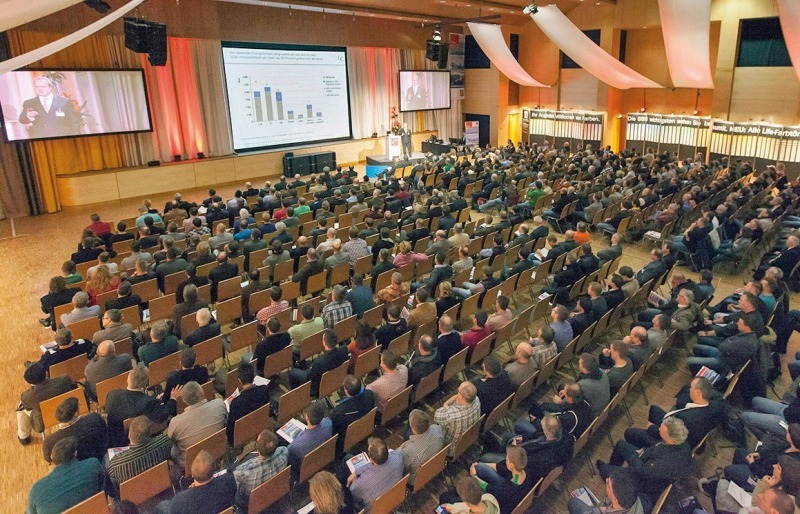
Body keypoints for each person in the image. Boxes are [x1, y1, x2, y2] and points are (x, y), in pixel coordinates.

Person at [597, 416, 692, 497]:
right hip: (647, 460)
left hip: (643, 480)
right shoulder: (682, 442)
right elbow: (657, 447)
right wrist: (645, 451)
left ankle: (612, 475)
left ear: (671, 439)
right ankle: (614, 466)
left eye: (662, 431)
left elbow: (641, 471)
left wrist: (636, 456)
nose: (659, 429)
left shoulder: (664, 463)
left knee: (604, 470)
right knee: (621, 445)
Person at [26, 437, 107, 514]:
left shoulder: (36, 491)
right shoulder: (93, 465)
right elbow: (104, 487)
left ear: (52, 458)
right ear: (75, 453)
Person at [167, 381, 227, 465]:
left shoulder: (175, 423)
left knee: (174, 450)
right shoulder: (219, 404)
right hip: (220, 450)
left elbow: (171, 440)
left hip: (192, 464)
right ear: (202, 393)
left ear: (184, 400)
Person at [17, 362, 75, 445]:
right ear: (46, 373)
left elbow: (27, 406)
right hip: (68, 409)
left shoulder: (28, 397)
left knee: (21, 408)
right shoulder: (64, 379)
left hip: (45, 419)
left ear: (30, 382)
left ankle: (23, 436)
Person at [107, 415, 172, 489]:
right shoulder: (165, 442)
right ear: (150, 432)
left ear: (129, 435)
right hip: (162, 489)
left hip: (133, 495)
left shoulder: (115, 465)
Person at [469, 445, 537, 514]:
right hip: (512, 495)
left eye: (507, 459)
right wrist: (482, 464)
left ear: (511, 465)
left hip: (501, 505)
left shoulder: (506, 489)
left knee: (475, 484)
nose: (506, 460)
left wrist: (474, 475)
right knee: (480, 466)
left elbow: (486, 486)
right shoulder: (524, 470)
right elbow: (501, 468)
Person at [232, 430, 288, 512]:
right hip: (275, 492)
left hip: (250, 503)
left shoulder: (243, 471)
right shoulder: (283, 453)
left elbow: (237, 486)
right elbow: (282, 449)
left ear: (257, 449)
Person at [105, 365, 160, 446]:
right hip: (137, 442)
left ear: (128, 379)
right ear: (145, 383)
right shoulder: (149, 402)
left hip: (113, 440)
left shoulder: (111, 394)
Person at [167, 450, 236, 514]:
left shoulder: (179, 502)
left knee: (163, 505)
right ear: (214, 469)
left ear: (192, 474)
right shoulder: (229, 481)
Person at [41, 396, 107, 464]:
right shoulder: (94, 419)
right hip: (101, 457)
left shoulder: (49, 442)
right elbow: (105, 432)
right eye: (79, 406)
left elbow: (48, 459)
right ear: (76, 413)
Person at [347, 436, 405, 511]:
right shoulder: (399, 457)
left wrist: (355, 474)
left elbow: (354, 493)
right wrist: (357, 471)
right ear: (387, 448)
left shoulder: (359, 484)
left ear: (370, 459)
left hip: (373, 510)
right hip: (394, 498)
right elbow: (399, 450)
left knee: (347, 458)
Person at [288, 329, 349, 397]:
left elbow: (308, 376)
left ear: (324, 343)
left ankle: (296, 394)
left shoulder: (318, 362)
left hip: (316, 387)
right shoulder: (344, 350)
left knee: (292, 372)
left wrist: (311, 368)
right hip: (336, 379)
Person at [226, 361, 270, 445]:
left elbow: (230, 429)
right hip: (261, 423)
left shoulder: (236, 402)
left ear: (239, 380)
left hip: (243, 433)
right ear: (254, 375)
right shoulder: (264, 389)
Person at [398, 409, 445, 486]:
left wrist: (399, 450)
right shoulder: (437, 428)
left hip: (416, 479)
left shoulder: (407, 451)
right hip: (436, 466)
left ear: (413, 428)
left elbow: (401, 468)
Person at [567, 468, 644, 514]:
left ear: (615, 499)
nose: (606, 480)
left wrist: (599, 510)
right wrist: (604, 509)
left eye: (608, 485)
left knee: (574, 503)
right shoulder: (630, 497)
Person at [435, 381, 482, 451]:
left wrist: (446, 405)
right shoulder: (476, 400)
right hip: (468, 440)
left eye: (458, 391)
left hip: (451, 449)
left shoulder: (450, 415)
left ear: (461, 397)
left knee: (434, 427)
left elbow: (436, 416)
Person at [366, 349, 409, 415]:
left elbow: (367, 389)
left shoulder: (378, 384)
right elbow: (400, 366)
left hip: (383, 411)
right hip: (398, 403)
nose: (380, 364)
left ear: (384, 366)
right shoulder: (405, 369)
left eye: (381, 362)